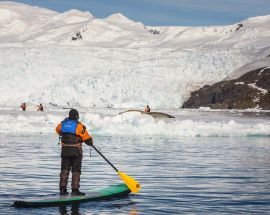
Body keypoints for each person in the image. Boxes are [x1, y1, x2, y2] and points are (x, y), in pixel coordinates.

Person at [55, 109, 93, 196]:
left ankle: (62, 189)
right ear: (76, 116)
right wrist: (90, 142)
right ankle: (75, 190)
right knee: (76, 170)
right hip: (76, 153)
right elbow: (87, 138)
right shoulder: (79, 126)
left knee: (64, 169)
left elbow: (57, 130)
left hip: (65, 152)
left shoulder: (62, 124)